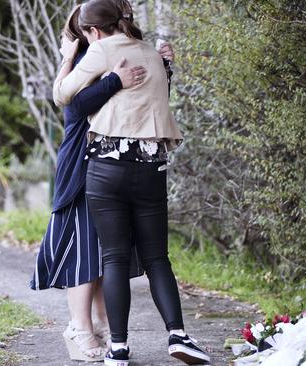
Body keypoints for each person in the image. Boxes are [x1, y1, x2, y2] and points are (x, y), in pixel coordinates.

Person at [53, 0, 210, 365]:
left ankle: (119, 348)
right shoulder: (152, 53)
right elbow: (158, 100)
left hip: (108, 168)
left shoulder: (101, 49)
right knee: (157, 257)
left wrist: (73, 60)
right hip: (152, 167)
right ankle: (178, 334)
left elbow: (65, 97)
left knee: (115, 259)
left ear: (93, 31)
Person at [31, 3, 175, 362]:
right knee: (83, 248)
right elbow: (74, 106)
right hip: (84, 160)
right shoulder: (89, 56)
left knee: (103, 250)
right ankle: (79, 329)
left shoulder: (120, 50)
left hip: (112, 161)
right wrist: (113, 80)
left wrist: (163, 69)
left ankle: (97, 325)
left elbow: (143, 108)